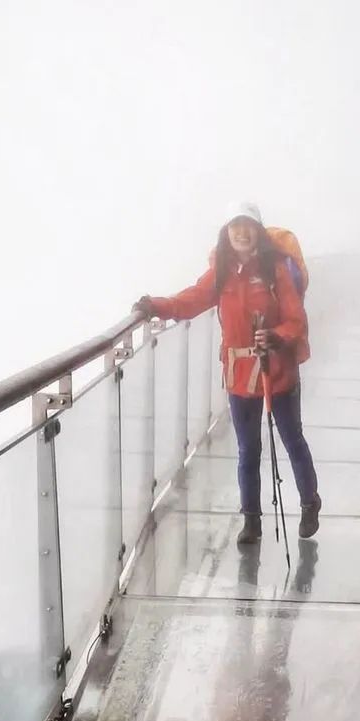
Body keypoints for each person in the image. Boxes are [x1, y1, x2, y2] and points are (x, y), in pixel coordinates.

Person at [132, 202, 321, 545]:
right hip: (239, 376)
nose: (241, 232)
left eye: (247, 225)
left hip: (277, 370)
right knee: (248, 449)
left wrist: (277, 336)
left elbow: (296, 320)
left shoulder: (276, 269)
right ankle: (252, 521)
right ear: (226, 231)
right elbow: (191, 300)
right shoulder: (221, 269)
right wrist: (155, 305)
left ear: (258, 230)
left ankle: (310, 503)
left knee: (292, 440)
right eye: (235, 225)